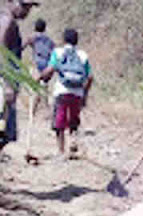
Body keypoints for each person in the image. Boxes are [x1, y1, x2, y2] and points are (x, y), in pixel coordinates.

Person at [0, 0, 39, 178]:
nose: (27, 11)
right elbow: (0, 53)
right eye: (24, 6)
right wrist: (7, 85)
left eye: (29, 7)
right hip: (2, 82)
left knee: (1, 130)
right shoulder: (7, 22)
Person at [35, 28, 93, 160]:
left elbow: (49, 70)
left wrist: (39, 78)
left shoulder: (58, 52)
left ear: (63, 40)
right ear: (77, 41)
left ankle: (61, 151)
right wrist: (84, 94)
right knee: (74, 120)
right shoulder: (83, 55)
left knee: (59, 122)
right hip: (77, 93)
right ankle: (73, 142)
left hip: (61, 92)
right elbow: (90, 77)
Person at [22, 17, 54, 112]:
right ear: (45, 28)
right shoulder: (49, 40)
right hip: (47, 66)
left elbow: (22, 47)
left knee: (34, 90)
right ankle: (48, 111)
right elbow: (54, 51)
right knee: (45, 89)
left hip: (36, 65)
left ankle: (32, 115)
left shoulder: (32, 38)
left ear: (35, 27)